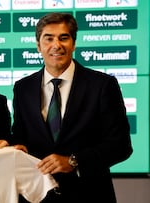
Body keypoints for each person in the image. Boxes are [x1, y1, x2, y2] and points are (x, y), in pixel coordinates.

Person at [12, 13, 133, 203]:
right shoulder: (23, 88)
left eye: (63, 38)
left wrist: (74, 160)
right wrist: (16, 147)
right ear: (38, 46)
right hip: (37, 197)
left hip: (89, 195)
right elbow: (21, 136)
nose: (56, 45)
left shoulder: (102, 85)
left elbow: (121, 146)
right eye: (48, 38)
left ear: (74, 44)